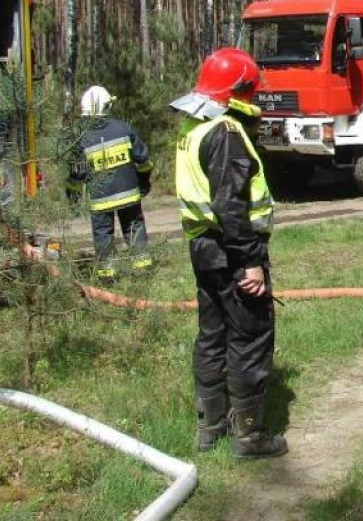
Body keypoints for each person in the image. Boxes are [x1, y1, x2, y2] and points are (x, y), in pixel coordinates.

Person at [171, 48, 287, 459]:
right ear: (238, 89)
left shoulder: (193, 126)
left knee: (212, 335)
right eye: (251, 91)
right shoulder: (224, 133)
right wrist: (250, 261)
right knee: (249, 337)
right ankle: (250, 436)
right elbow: (231, 205)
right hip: (232, 250)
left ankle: (210, 427)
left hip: (204, 249)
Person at [67, 86, 153, 279]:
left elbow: (76, 174)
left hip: (100, 200)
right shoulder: (123, 127)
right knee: (134, 227)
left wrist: (72, 196)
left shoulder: (81, 138)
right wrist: (144, 183)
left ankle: (107, 275)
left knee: (102, 234)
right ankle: (142, 270)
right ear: (106, 106)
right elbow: (143, 160)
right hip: (129, 193)